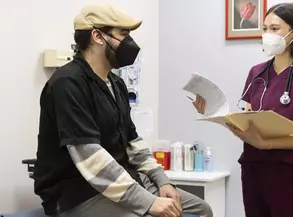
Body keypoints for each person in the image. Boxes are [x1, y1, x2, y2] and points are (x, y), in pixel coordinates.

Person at [34, 3, 213, 217]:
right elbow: (90, 158)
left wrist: (161, 180)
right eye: (124, 34)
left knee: (202, 210)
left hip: (121, 184)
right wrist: (148, 202)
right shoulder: (68, 83)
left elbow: (132, 142)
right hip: (78, 195)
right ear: (98, 36)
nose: (130, 43)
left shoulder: (115, 83)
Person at [193, 3, 293, 217]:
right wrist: (212, 111)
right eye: (264, 28)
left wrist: (268, 144)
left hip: (288, 176)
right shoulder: (256, 73)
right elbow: (245, 122)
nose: (267, 34)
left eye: (275, 29)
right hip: (254, 172)